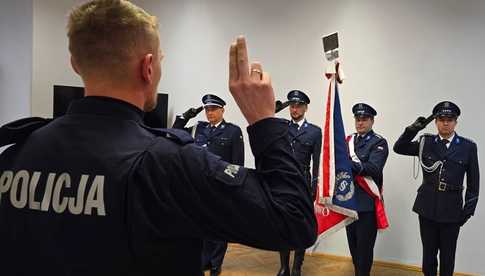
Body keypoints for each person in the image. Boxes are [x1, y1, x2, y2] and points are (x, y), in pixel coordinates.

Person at [0, 1, 317, 276]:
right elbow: (293, 222)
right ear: (148, 67)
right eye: (160, 61)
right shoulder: (168, 163)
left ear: (75, 63)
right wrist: (263, 121)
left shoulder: (16, 152)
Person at [393, 101, 479, 276]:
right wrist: (412, 130)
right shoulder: (425, 142)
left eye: (450, 119)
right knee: (429, 256)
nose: (445, 123)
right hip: (427, 208)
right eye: (441, 119)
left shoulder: (468, 147)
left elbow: (473, 183)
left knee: (448, 258)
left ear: (456, 122)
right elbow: (398, 148)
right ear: (435, 121)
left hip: (452, 210)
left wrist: (467, 211)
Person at [173, 94, 244, 275]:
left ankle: (215, 263)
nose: (209, 113)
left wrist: (234, 190)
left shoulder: (233, 132)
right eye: (207, 109)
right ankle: (204, 260)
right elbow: (174, 134)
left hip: (220, 186)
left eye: (213, 109)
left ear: (222, 110)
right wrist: (183, 117)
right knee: (201, 224)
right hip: (198, 185)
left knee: (220, 226)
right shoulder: (198, 128)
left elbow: (237, 164)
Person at [277, 90, 321, 276]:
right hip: (282, 182)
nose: (294, 109)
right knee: (283, 225)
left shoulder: (314, 132)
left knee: (301, 225)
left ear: (305, 107)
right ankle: (284, 266)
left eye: (298, 106)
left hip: (303, 183)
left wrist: (315, 187)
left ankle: (296, 267)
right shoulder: (281, 127)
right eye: (292, 106)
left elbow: (317, 162)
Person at [345, 103, 389, 276]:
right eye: (357, 119)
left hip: (367, 203)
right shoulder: (348, 141)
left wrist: (350, 164)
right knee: (354, 247)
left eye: (364, 119)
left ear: (372, 121)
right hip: (349, 202)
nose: (360, 123)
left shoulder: (379, 142)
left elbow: (374, 168)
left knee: (364, 249)